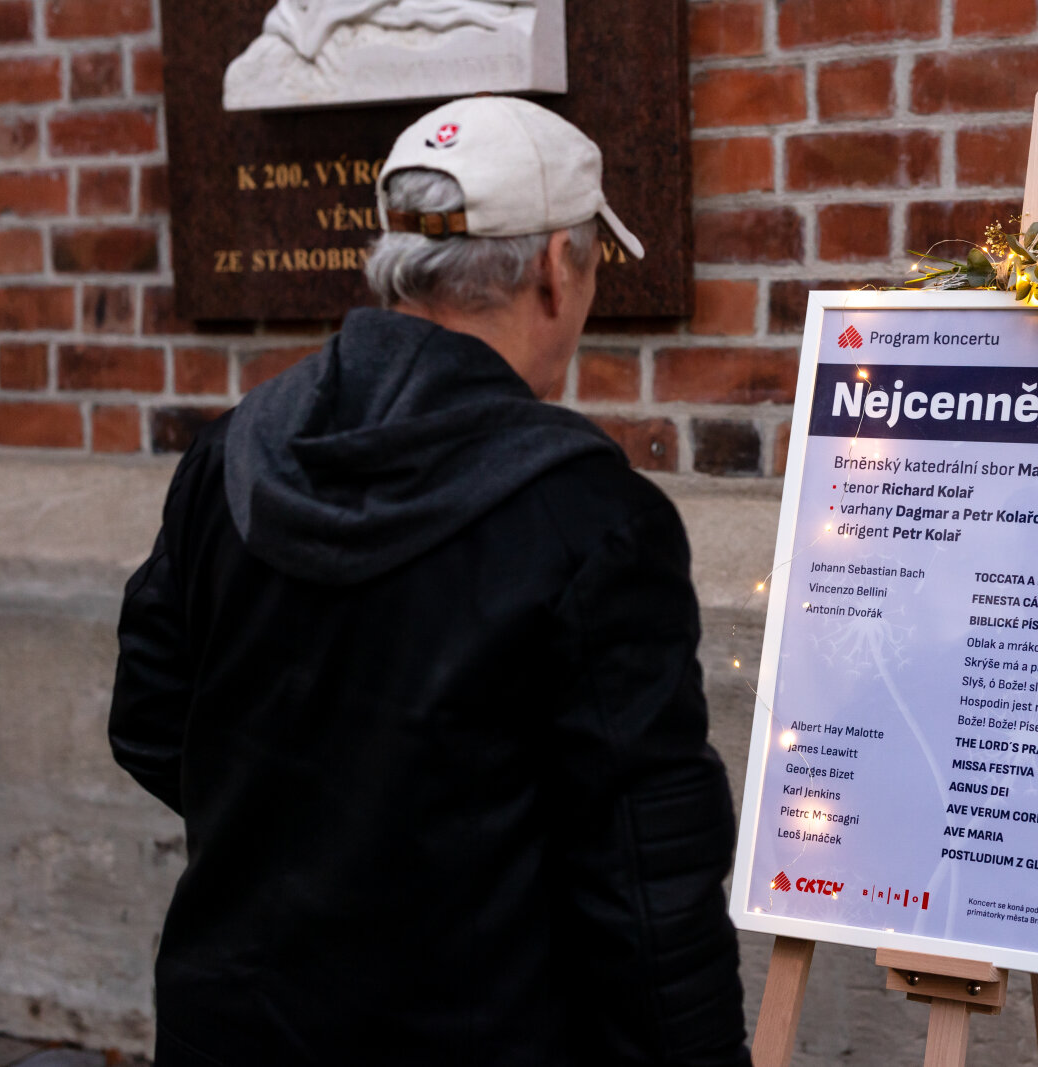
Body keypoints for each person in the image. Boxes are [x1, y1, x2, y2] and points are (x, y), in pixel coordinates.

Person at [109, 96, 748, 1066]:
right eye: (592, 264)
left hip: (234, 1020)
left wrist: (313, 847)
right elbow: (647, 879)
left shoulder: (236, 449)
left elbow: (153, 716)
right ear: (555, 267)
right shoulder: (590, 518)